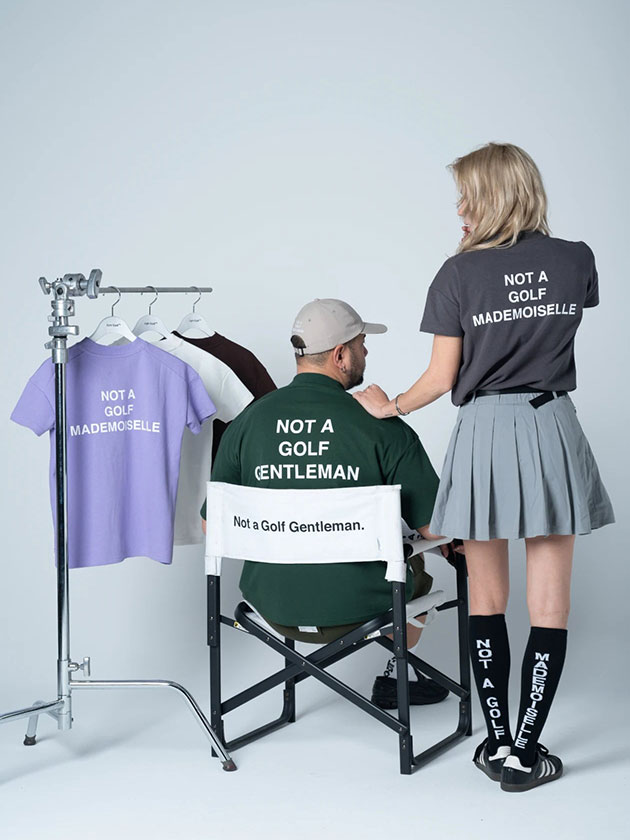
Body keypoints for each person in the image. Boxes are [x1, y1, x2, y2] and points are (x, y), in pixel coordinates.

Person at [354, 143, 615, 792]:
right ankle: (526, 753)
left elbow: (441, 377)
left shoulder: (458, 274)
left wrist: (393, 405)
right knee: (549, 604)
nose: (461, 210)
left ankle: (497, 741)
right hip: (551, 425)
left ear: (495, 195)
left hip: (484, 433)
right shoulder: (575, 259)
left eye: (467, 196)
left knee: (487, 598)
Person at [201, 298, 454, 708]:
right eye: (361, 344)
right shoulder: (383, 427)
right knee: (417, 558)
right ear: (340, 355)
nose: (366, 352)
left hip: (271, 607)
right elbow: (437, 527)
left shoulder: (247, 421)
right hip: (363, 612)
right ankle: (401, 668)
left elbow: (212, 525)